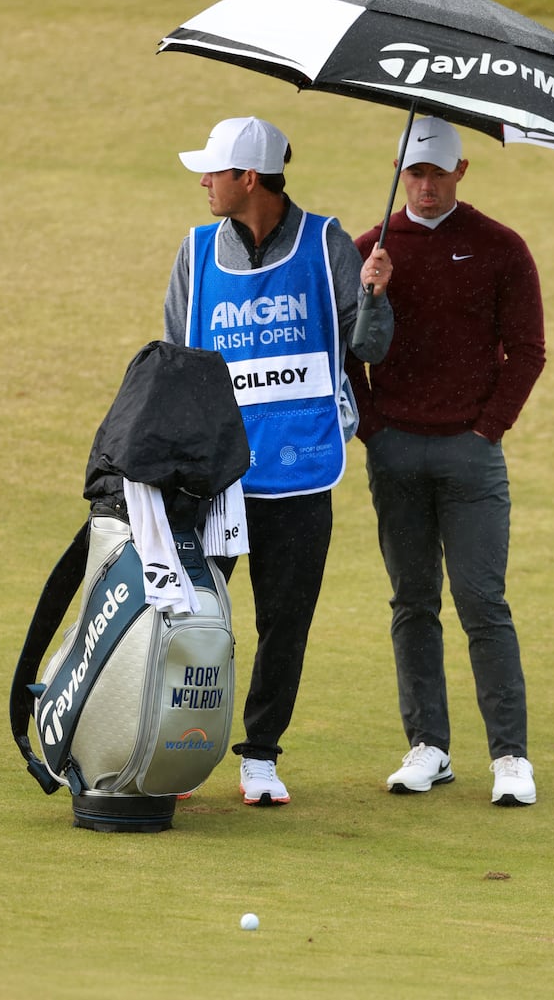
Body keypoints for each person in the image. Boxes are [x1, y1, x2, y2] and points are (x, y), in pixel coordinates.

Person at [164, 116, 393, 806]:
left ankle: (259, 756)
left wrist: (377, 294)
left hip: (300, 471)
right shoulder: (196, 252)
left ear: (250, 179)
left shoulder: (329, 245)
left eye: (215, 171)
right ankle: (167, 745)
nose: (203, 181)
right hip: (216, 477)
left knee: (284, 622)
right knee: (187, 617)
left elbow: (373, 348)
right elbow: (176, 362)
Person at [348, 116, 545, 806]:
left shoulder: (499, 247)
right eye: (414, 173)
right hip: (396, 451)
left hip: (471, 454)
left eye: (437, 173)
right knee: (413, 602)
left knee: (482, 601)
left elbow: (527, 350)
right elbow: (346, 354)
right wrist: (374, 428)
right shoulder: (370, 249)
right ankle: (428, 745)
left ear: (462, 172)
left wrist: (488, 429)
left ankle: (510, 756)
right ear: (400, 172)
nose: (425, 186)